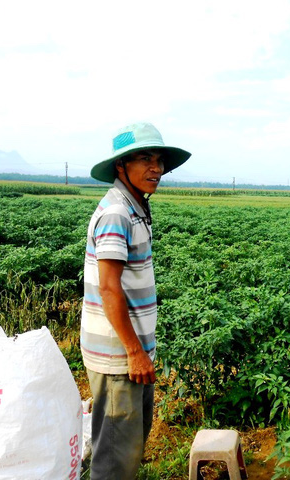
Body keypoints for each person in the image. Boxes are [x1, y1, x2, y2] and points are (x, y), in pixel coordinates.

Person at [81, 122, 191, 479]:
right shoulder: (117, 213)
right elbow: (109, 288)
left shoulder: (134, 206)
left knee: (128, 448)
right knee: (115, 460)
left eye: (158, 160)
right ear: (121, 166)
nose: (156, 168)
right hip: (119, 356)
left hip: (130, 352)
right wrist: (134, 351)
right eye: (145, 159)